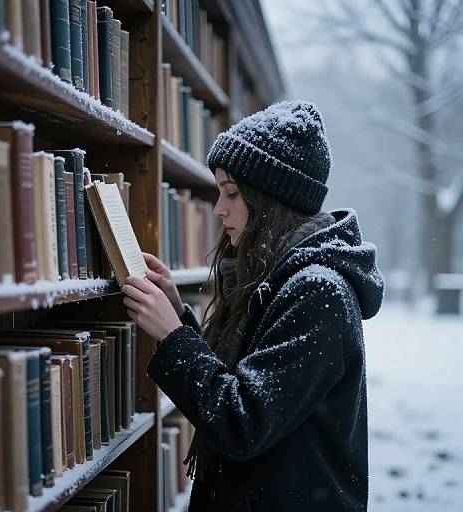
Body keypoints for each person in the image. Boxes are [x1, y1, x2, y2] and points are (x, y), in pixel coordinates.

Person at [121, 101, 385, 511]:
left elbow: (242, 420)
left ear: (271, 200)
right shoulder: (277, 280)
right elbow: (241, 380)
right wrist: (179, 315)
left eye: (232, 193)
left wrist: (172, 336)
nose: (218, 209)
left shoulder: (318, 294)